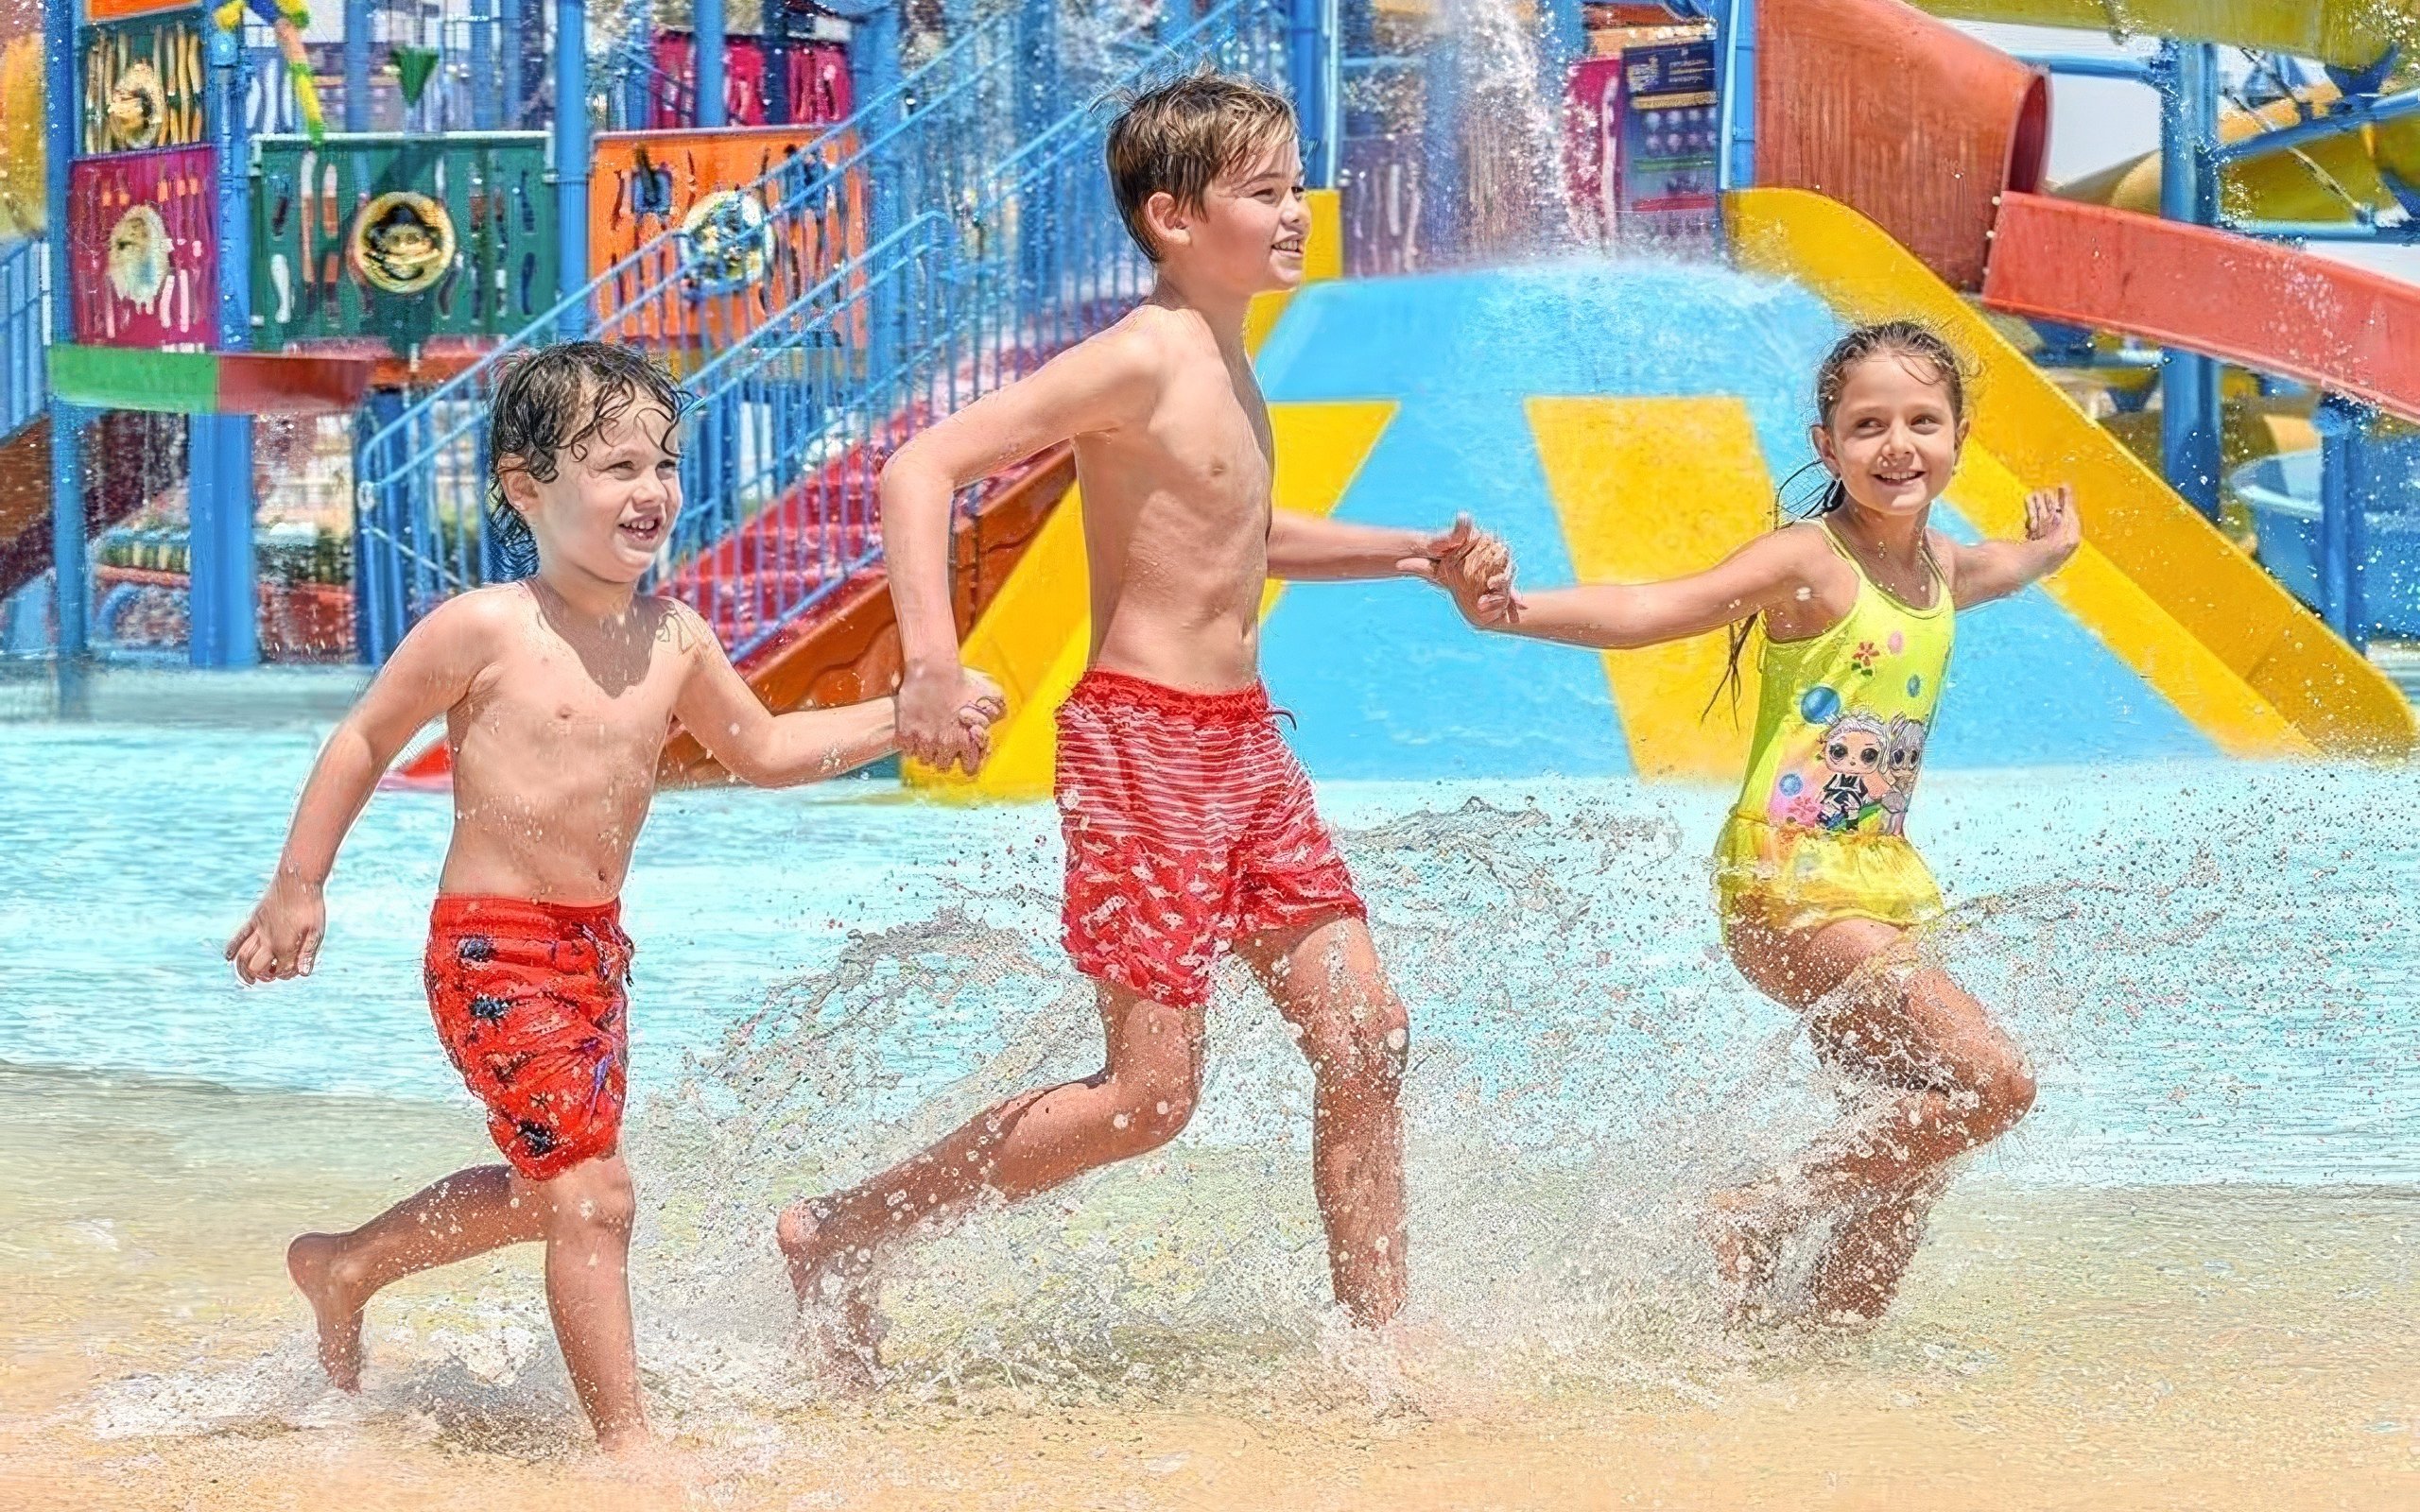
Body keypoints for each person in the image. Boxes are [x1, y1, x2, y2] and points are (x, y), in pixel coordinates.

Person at [774, 71, 1512, 1380]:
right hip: (1144, 745)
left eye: (1299, 186)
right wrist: (931, 669)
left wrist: (1413, 555)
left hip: (1244, 746)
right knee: (1149, 1100)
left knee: (1365, 1038)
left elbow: (1243, 533)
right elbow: (918, 467)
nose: (1299, 213)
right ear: (1174, 217)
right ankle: (841, 1230)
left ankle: (1374, 1352)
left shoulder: (1231, 357)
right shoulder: (1139, 353)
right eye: (1268, 192)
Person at [224, 342, 1002, 1452]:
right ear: (525, 487)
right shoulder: (487, 628)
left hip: (594, 956)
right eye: (618, 467)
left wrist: (902, 715)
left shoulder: (674, 637)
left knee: (551, 1188)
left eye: (666, 465)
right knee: (596, 1194)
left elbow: (768, 747)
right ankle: (627, 1451)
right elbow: (361, 738)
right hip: (491, 954)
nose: (653, 492)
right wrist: (299, 886)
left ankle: (345, 1264)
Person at [1435, 320, 2082, 1325]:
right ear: (1825, 446)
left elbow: (1997, 570)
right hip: (1791, 886)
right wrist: (1505, 611)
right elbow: (1657, 607)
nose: (1896, 445)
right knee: (1991, 1086)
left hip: (1880, 882)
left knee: (1907, 1155)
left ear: (1959, 440)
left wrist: (2047, 551)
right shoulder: (1807, 561)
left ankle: (1808, 1363)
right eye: (1867, 425)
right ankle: (1748, 1209)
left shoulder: (1937, 568)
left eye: (1922, 421)